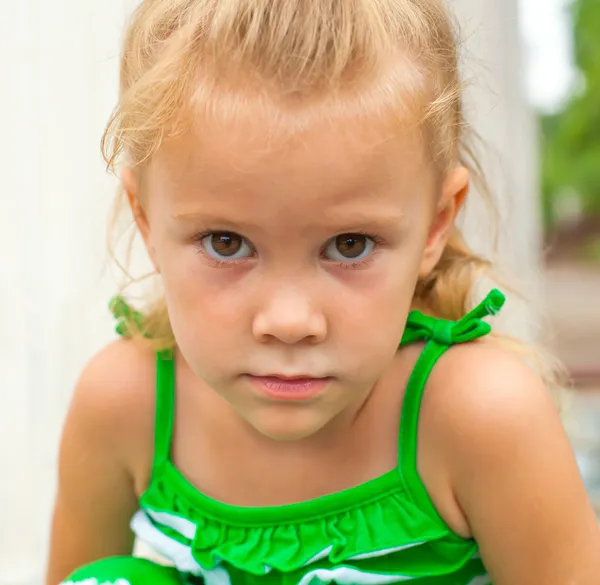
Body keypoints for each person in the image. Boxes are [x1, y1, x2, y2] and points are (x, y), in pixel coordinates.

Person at [46, 1, 600, 584]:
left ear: (437, 223)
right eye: (227, 243)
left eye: (351, 244)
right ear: (146, 221)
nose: (289, 321)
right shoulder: (125, 405)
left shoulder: (478, 416)